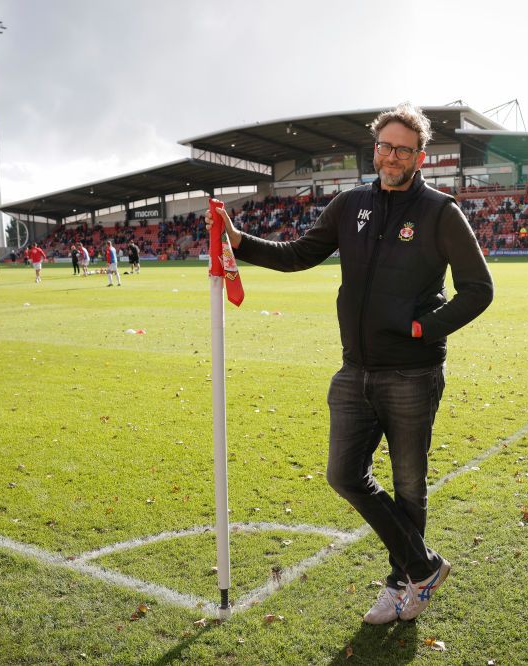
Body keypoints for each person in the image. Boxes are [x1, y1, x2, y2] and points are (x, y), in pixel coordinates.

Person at [209, 104, 493, 624]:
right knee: (344, 474)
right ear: (375, 148)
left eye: (403, 148)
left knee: (409, 485)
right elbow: (299, 254)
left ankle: (400, 586)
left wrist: (422, 328)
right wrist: (239, 241)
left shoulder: (440, 212)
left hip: (412, 372)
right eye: (384, 145)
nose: (391, 155)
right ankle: (424, 567)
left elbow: (479, 290)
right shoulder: (349, 204)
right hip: (353, 371)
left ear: (419, 158)